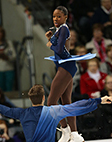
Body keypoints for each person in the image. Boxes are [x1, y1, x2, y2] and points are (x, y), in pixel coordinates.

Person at [0, 84, 112, 142]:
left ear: (30, 99)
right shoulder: (53, 111)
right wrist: (99, 100)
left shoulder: (22, 113)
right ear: (44, 98)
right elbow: (77, 106)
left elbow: (1, 108)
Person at [44, 6, 95, 142]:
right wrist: (51, 37)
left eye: (59, 16)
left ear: (66, 17)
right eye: (54, 16)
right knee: (66, 101)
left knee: (51, 102)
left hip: (65, 67)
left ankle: (65, 130)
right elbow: (59, 45)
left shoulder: (64, 28)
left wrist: (50, 43)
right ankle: (74, 133)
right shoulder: (60, 29)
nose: (55, 19)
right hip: (65, 66)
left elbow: (60, 49)